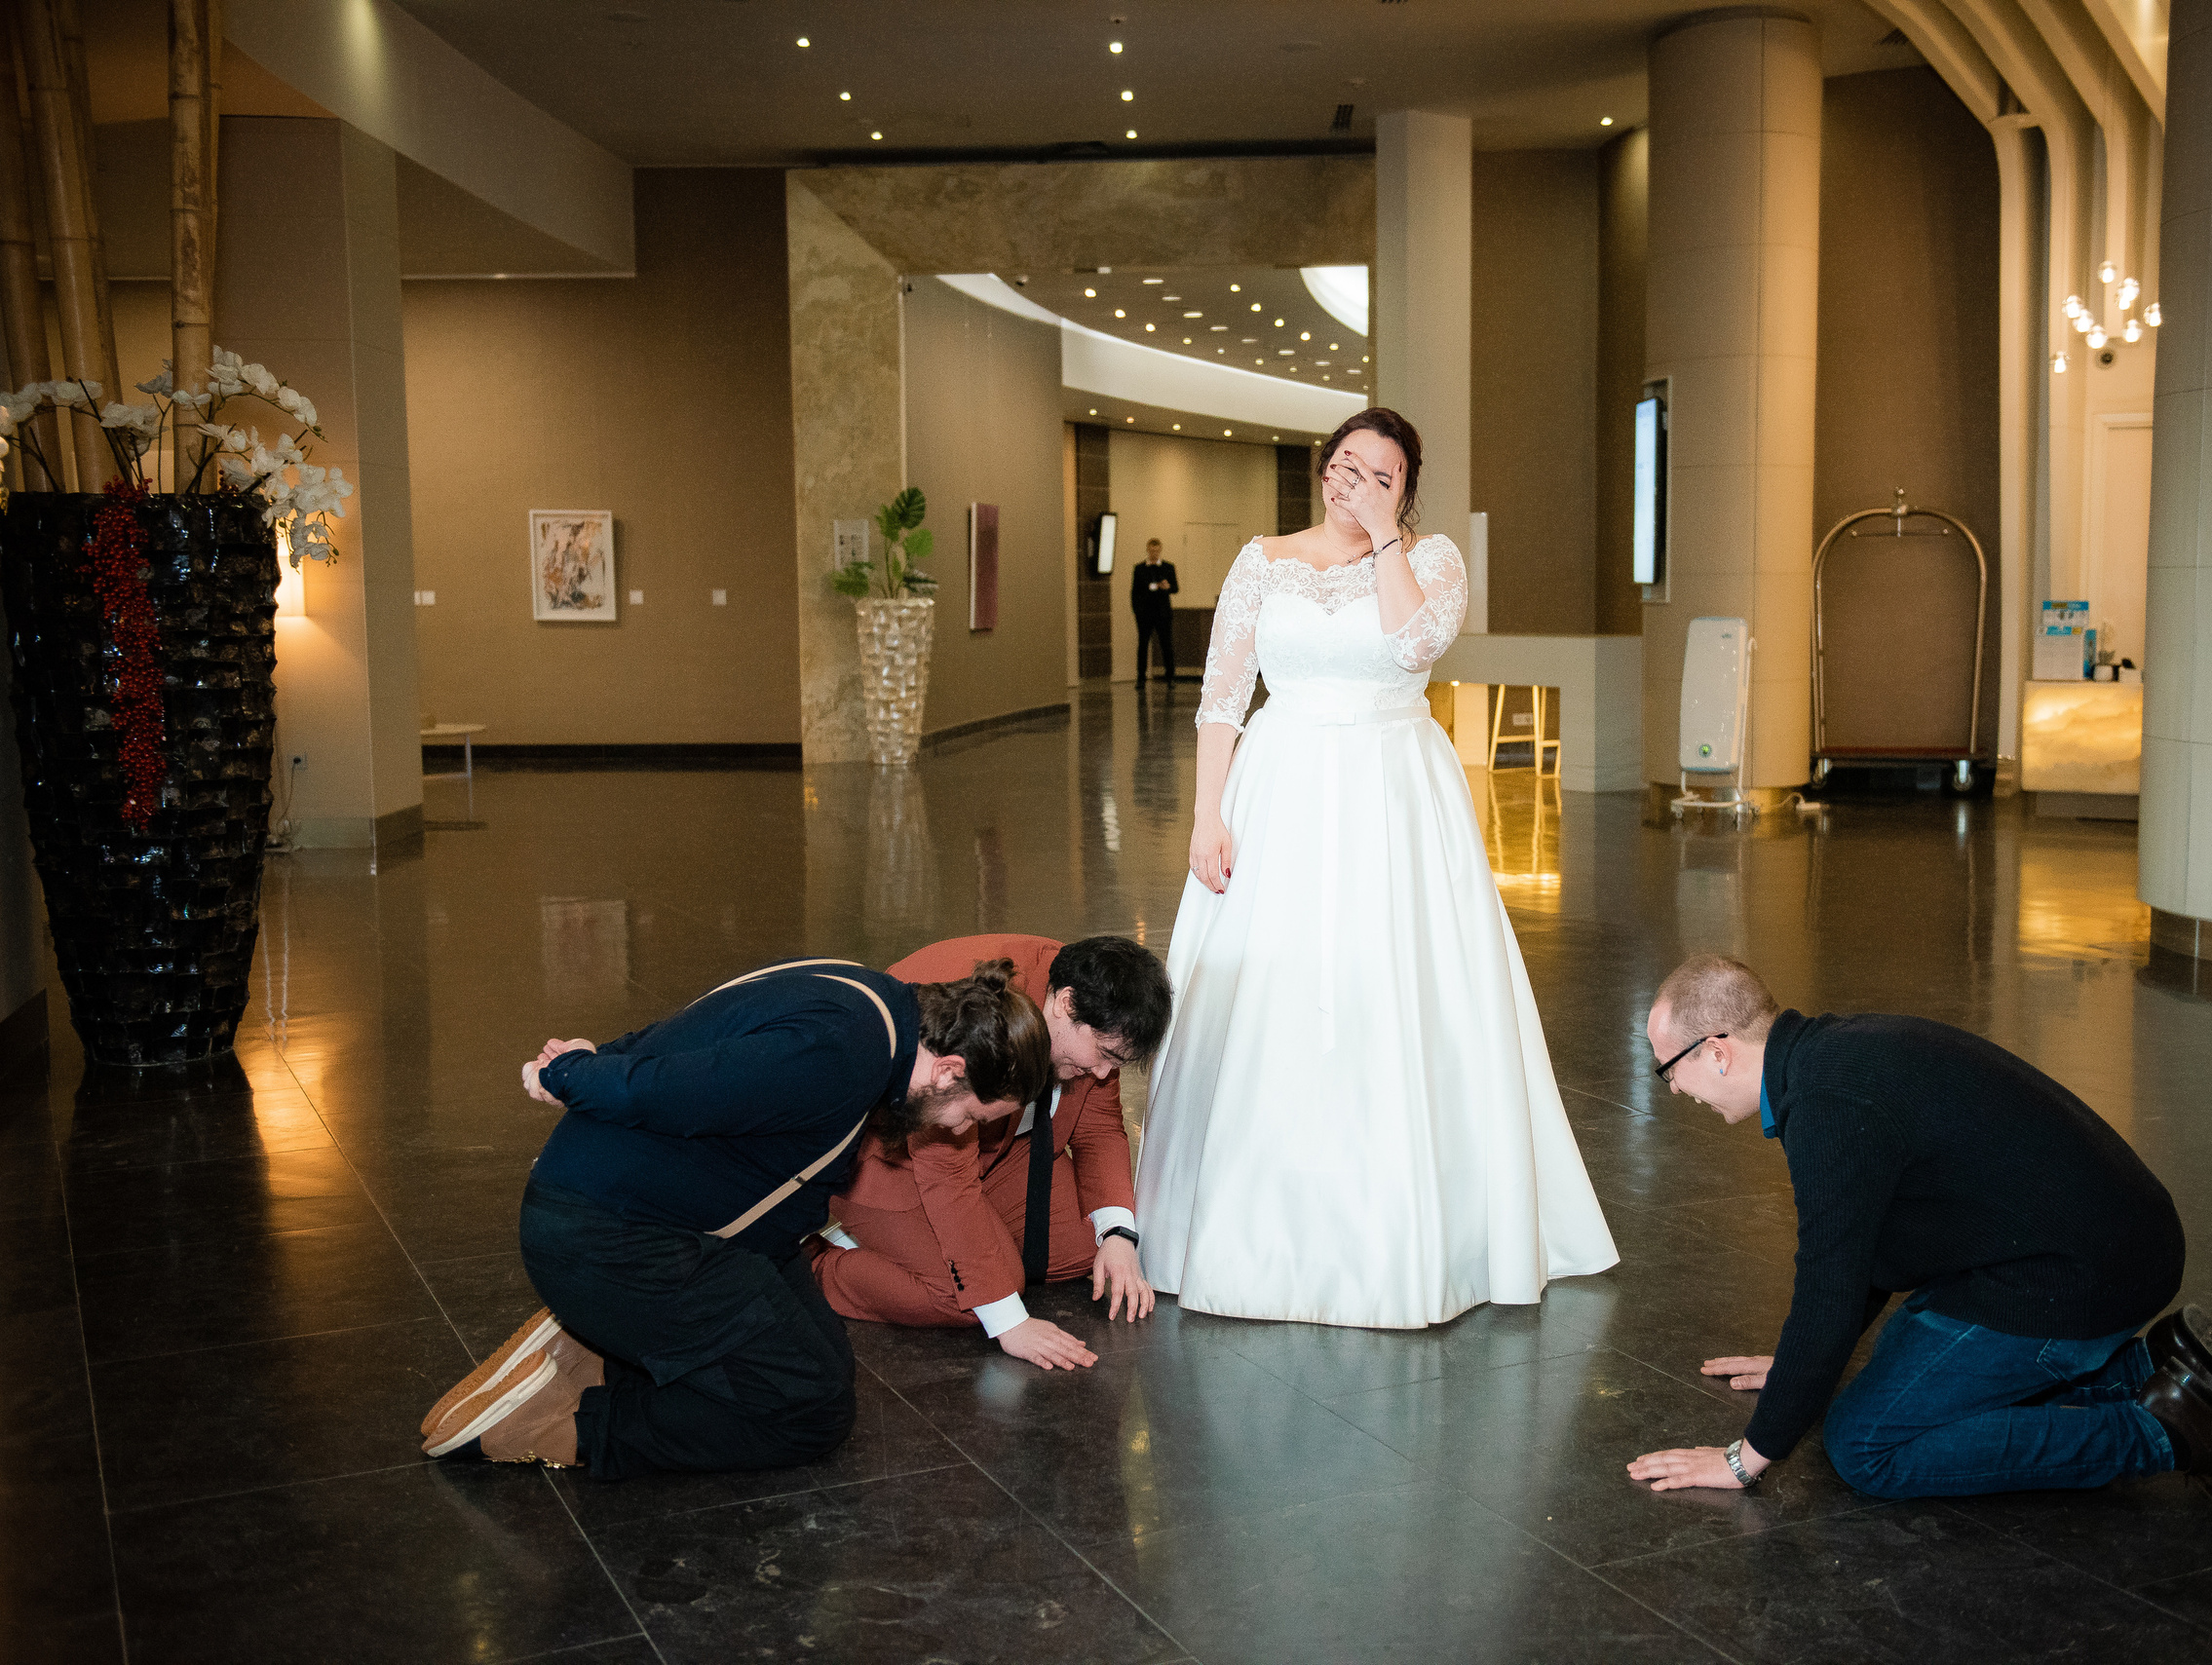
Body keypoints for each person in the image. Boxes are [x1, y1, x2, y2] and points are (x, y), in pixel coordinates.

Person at [1134, 407, 1618, 1328]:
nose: (1358, 482)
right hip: (1278, 789)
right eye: (1347, 464)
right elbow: (1221, 701)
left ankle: (1414, 1223)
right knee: (1270, 991)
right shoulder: (1261, 559)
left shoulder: (1432, 562)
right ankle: (1238, 1217)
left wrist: (1390, 538)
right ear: (1324, 470)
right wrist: (1207, 814)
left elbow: (1413, 646)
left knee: (1390, 984)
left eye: (1383, 474)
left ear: (1406, 488)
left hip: (1393, 792)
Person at [1624, 954, 2212, 1510]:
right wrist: (1803, 1363)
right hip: (2104, 1246)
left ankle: (2170, 1430)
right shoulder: (1830, 1059)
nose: (1676, 1090)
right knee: (1897, 1366)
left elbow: (1831, 1283)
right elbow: (1869, 1252)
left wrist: (1745, 1459)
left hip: (2083, 1276)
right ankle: (2151, 1370)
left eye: (1669, 1069)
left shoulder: (1828, 1108)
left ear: (1716, 1050)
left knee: (1868, 1444)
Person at [417, 957, 1050, 1476]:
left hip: (674, 1228)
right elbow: (666, 1088)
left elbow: (687, 1036)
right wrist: (570, 1071)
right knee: (807, 1413)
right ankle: (570, 1423)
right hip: (608, 1237)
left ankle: (599, 1352)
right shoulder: (842, 1053)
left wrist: (597, 1054)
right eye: (970, 1114)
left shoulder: (870, 1003)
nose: (957, 1129)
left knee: (824, 1376)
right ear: (950, 1068)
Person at [812, 933, 1173, 1369]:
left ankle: (932, 1247)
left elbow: (1098, 1127)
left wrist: (1117, 1234)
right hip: (890, 1158)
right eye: (1104, 1054)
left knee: (1091, 1250)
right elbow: (945, 1173)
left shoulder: (1093, 1000)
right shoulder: (981, 1018)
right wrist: (1009, 1323)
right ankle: (818, 1266)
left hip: (998, 1152)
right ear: (1065, 1003)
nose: (1101, 1073)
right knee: (964, 1299)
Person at [1131, 536, 1179, 685]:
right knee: (1143, 644)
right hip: (1145, 613)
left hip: (1163, 613)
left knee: (1166, 644)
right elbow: (1135, 592)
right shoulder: (1139, 569)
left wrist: (1167, 587)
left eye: (1157, 551)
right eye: (1152, 551)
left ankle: (1170, 676)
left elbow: (1175, 588)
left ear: (1160, 551)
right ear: (1148, 550)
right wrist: (1137, 612)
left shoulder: (1168, 567)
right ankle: (1141, 677)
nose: (1154, 553)